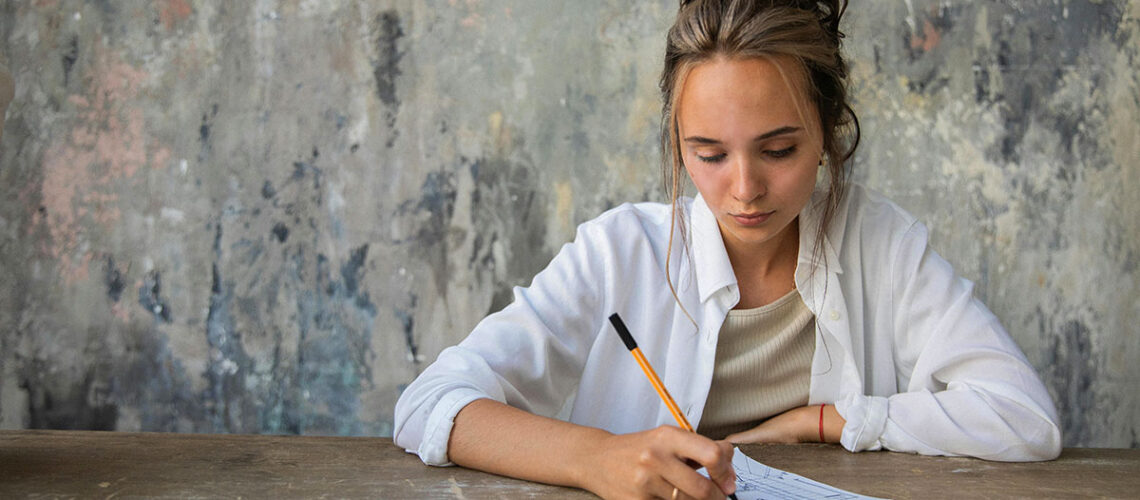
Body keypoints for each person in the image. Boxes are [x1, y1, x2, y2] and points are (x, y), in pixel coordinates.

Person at [394, 0, 1063, 498]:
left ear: (828, 133)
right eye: (708, 154)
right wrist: (597, 458)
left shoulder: (881, 246)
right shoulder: (618, 254)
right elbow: (430, 404)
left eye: (779, 150)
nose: (744, 189)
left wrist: (828, 420)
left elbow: (1023, 418)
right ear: (677, 141)